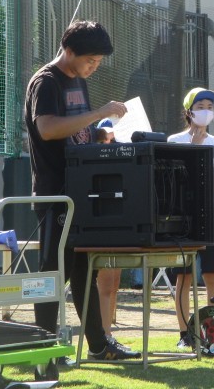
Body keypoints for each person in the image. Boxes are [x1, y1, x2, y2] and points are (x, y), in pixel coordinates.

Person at [24, 20, 139, 361]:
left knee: (84, 272)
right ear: (69, 51)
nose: (94, 66)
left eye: (99, 61)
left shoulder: (79, 81)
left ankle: (99, 345)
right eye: (91, 60)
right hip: (54, 194)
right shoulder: (46, 81)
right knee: (52, 274)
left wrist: (99, 135)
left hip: (81, 192)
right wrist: (98, 113)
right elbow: (47, 129)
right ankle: (44, 349)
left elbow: (77, 131)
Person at [167, 87, 214, 349]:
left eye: (210, 107)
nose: (206, 111)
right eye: (200, 106)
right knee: (183, 276)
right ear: (189, 111)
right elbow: (174, 179)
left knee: (212, 274)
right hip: (184, 214)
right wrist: (193, 149)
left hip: (213, 211)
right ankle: (185, 335)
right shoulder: (174, 141)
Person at [94, 118, 122, 337]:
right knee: (104, 284)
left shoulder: (122, 160)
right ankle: (104, 335)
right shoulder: (92, 160)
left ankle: (107, 331)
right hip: (99, 226)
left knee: (113, 283)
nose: (108, 144)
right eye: (104, 139)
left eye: (112, 140)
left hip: (118, 225)